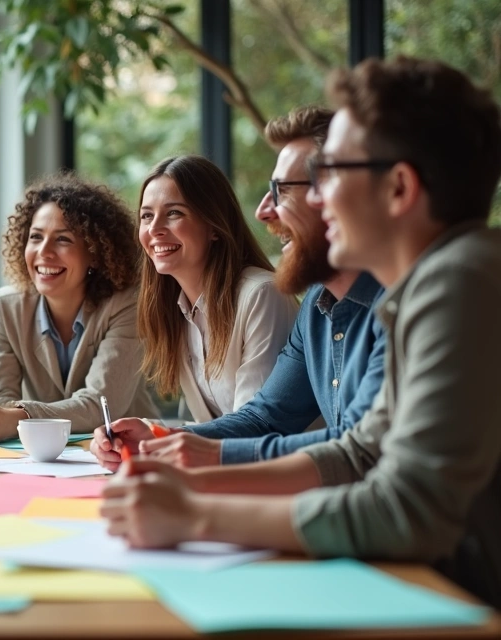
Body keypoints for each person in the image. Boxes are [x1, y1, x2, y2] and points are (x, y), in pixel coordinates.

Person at [100, 56, 501, 608]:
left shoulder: (460, 280)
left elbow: (405, 510)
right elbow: (359, 454)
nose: (315, 197)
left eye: (329, 174)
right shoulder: (425, 285)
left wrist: (195, 513)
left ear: (398, 188)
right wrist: (185, 477)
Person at [93, 107, 386, 470]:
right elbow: (265, 418)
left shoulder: (400, 307)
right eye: (146, 216)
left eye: (283, 191)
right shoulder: (316, 305)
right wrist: (159, 438)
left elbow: (357, 449)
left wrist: (191, 455)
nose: (263, 211)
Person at [0, 174, 156, 442]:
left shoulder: (127, 304)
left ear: (95, 253)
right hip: (37, 454)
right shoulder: (5, 308)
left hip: (127, 448)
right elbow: (0, 399)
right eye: (36, 237)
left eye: (63, 239)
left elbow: (101, 405)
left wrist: (18, 417)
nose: (44, 251)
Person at [132, 155, 297, 424]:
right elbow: (208, 427)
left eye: (174, 213)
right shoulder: (175, 311)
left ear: (214, 227)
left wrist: (163, 437)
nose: (154, 229)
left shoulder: (262, 295)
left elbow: (254, 425)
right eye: (147, 216)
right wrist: (145, 433)